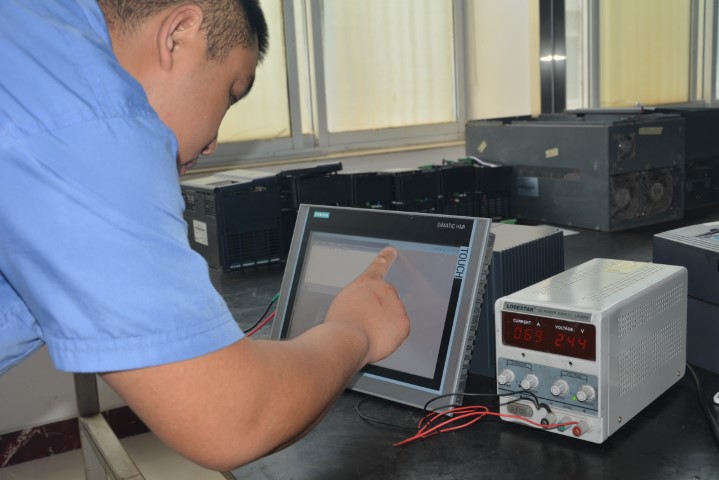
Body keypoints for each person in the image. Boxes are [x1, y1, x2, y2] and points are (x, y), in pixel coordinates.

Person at [0, 0, 410, 471]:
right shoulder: (88, 119)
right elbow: (231, 418)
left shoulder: (32, 34)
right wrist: (356, 330)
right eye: (230, 94)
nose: (213, 141)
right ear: (179, 33)